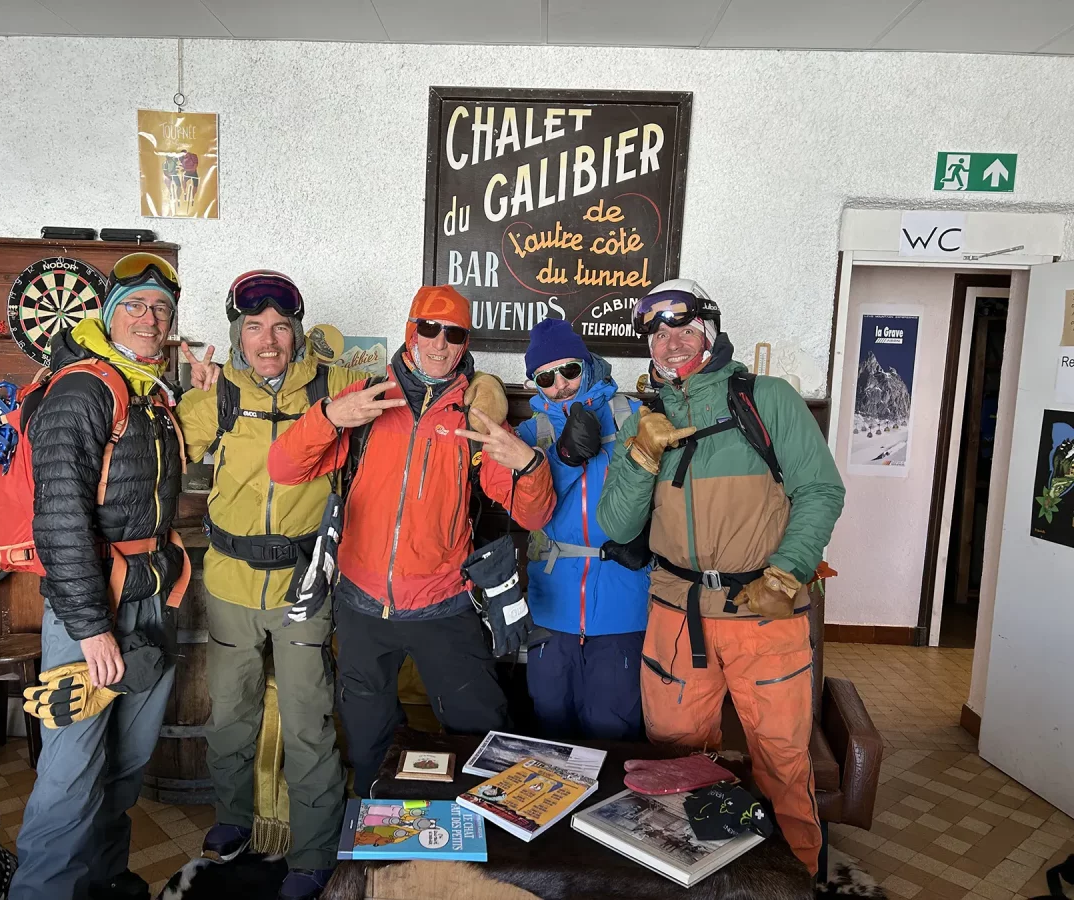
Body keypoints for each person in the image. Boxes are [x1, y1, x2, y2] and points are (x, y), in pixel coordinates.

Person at [596, 279, 845, 876]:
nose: (671, 341)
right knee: (675, 761)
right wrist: (639, 457)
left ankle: (798, 879)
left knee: (782, 760)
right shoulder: (642, 420)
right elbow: (616, 522)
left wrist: (788, 574)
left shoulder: (770, 398)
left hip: (765, 612)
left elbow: (820, 490)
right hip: (677, 619)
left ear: (708, 329)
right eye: (656, 332)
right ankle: (687, 877)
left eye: (683, 326)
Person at [268, 285, 556, 799]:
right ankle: (381, 856)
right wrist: (330, 417)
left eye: (455, 334)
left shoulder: (476, 416)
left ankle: (471, 854)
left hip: (444, 604)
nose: (440, 344)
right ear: (411, 330)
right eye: (430, 329)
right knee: (368, 742)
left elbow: (534, 512)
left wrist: (529, 465)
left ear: (465, 343)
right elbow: (284, 468)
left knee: (479, 735)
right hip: (361, 606)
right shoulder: (368, 400)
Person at [176, 271, 362, 899]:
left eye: (281, 326)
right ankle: (233, 818)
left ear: (298, 331)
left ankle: (312, 851)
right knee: (230, 713)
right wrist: (164, 387)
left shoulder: (335, 387)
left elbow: (414, 392)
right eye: (253, 327)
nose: (268, 339)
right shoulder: (215, 396)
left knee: (309, 721)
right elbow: (158, 455)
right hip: (229, 581)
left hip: (304, 587)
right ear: (236, 333)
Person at [12, 253, 188, 900]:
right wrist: (91, 630)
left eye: (162, 309)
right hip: (91, 613)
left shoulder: (146, 389)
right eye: (137, 305)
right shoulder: (85, 388)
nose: (151, 318)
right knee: (72, 775)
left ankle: (105, 883)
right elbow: (59, 518)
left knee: (124, 767)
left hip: (148, 602)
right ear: (109, 315)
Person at [513, 319, 650, 741]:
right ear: (535, 383)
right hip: (552, 604)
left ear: (587, 364)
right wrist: (564, 457)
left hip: (624, 600)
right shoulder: (529, 434)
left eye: (569, 370)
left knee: (614, 726)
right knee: (551, 727)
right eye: (546, 377)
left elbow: (673, 497)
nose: (561, 385)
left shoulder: (635, 417)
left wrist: (652, 542)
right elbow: (524, 512)